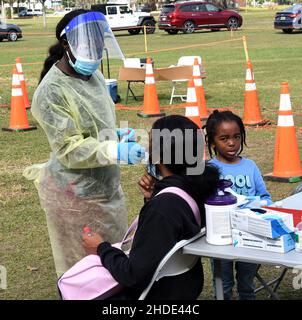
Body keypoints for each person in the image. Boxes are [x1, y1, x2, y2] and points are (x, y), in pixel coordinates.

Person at [23, 9, 145, 277]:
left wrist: (115, 136)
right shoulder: (51, 91)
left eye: (100, 40)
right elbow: (69, 148)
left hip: (106, 187)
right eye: (90, 41)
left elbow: (98, 125)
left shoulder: (96, 77)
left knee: (113, 263)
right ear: (67, 44)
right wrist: (114, 150)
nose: (97, 47)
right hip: (72, 196)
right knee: (83, 274)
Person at [82, 115, 220, 300]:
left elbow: (132, 275)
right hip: (184, 287)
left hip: (156, 295)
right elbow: (170, 232)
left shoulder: (164, 208)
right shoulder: (199, 188)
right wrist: (154, 197)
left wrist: (100, 247)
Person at [204, 110, 273, 300]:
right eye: (224, 138)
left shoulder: (250, 166)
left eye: (236, 137)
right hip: (221, 238)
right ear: (212, 141)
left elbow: (266, 198)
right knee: (223, 286)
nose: (232, 143)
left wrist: (256, 203)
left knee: (246, 284)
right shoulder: (209, 170)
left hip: (250, 236)